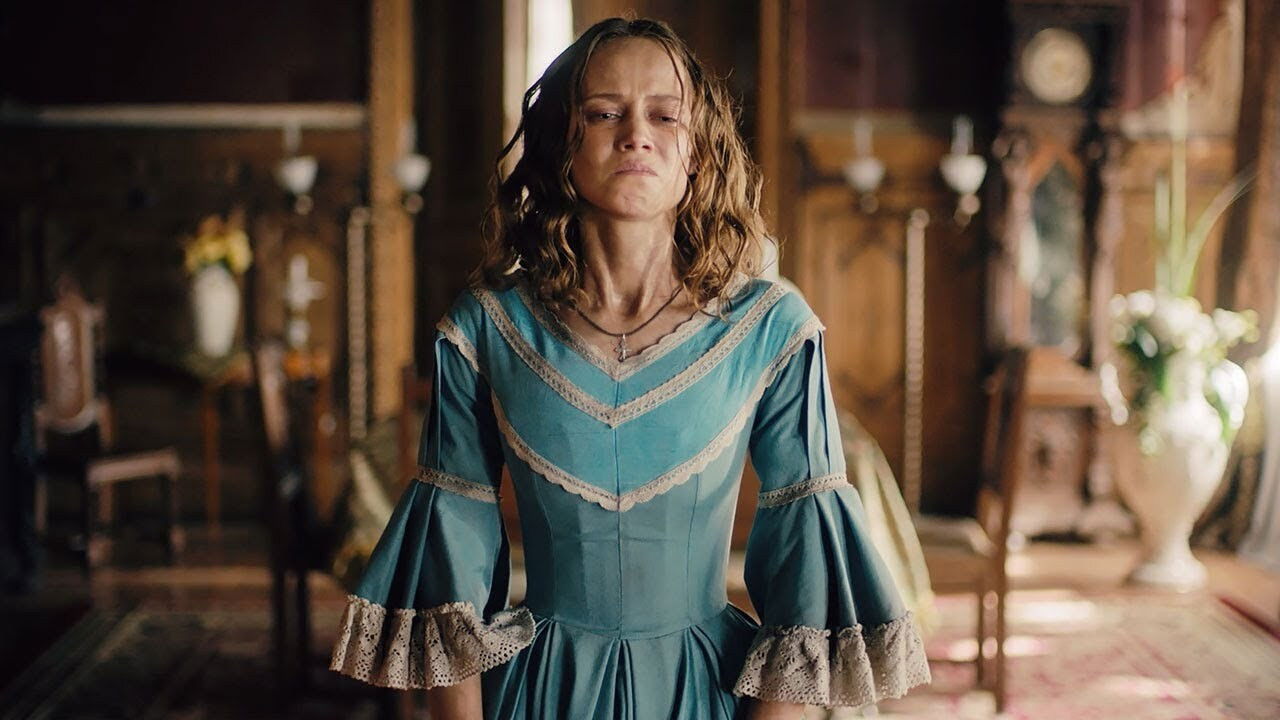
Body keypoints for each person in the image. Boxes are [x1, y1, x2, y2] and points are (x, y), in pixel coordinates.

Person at [330, 17, 930, 719]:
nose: (636, 134)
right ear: (562, 143)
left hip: (702, 691)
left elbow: (806, 569)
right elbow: (449, 563)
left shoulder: (771, 327)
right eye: (603, 113)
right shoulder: (487, 327)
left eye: (664, 116)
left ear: (698, 151)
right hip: (541, 691)